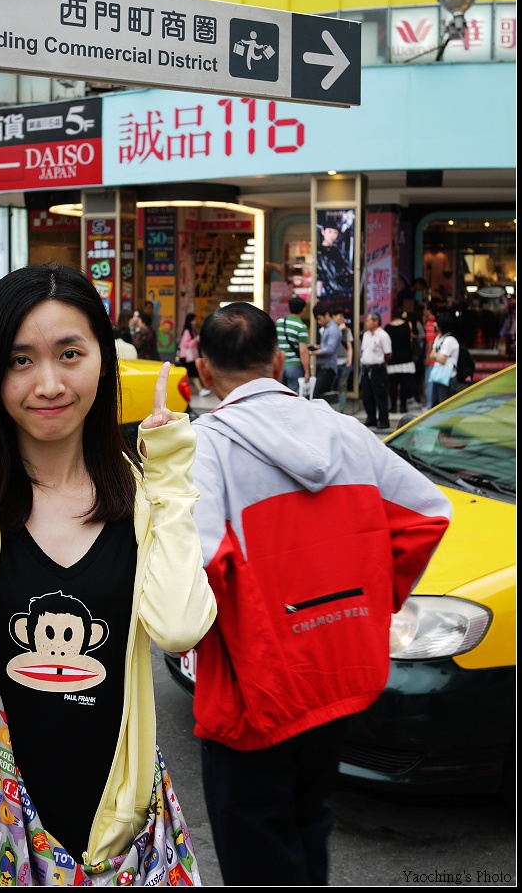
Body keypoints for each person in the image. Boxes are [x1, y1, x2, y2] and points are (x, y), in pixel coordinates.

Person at [0, 262, 216, 882]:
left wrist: (172, 476)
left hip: (119, 839)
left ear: (103, 361)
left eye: (70, 354)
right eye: (20, 361)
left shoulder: (147, 501)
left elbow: (181, 628)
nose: (48, 384)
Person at [187, 302, 452, 887]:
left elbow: (202, 571)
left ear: (204, 370)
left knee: (257, 856)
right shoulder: (346, 431)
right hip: (337, 671)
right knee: (311, 824)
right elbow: (427, 514)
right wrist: (368, 603)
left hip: (255, 694)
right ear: (278, 362)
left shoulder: (202, 448)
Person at [359, 312, 392, 430]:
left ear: (376, 322)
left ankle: (383, 420)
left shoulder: (383, 335)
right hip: (366, 368)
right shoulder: (366, 335)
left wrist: (381, 363)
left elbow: (388, 354)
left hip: (378, 368)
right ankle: (371, 417)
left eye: (368, 320)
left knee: (380, 395)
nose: (366, 323)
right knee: (367, 396)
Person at [275, 297, 311, 394]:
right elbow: (303, 351)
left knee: (280, 394)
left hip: (280, 365)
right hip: (294, 367)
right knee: (293, 394)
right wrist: (307, 371)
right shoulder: (301, 327)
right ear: (303, 309)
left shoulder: (280, 323)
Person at [384, 308, 416, 414]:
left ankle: (393, 407)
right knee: (404, 384)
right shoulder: (408, 325)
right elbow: (411, 341)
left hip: (393, 358)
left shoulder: (388, 327)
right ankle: (403, 406)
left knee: (393, 384)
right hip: (406, 357)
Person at [315, 219, 353, 300]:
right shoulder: (319, 252)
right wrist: (318, 296)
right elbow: (320, 276)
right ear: (323, 232)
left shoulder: (337, 250)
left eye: (335, 232)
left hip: (346, 289)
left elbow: (346, 267)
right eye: (329, 231)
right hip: (333, 292)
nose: (332, 235)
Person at [430, 310, 461, 405]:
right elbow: (431, 355)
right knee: (435, 404)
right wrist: (437, 356)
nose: (434, 325)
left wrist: (436, 355)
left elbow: (442, 360)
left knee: (443, 405)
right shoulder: (439, 338)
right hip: (438, 376)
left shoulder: (450, 340)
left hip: (448, 377)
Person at [311, 302, 340, 399]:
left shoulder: (333, 329)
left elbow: (329, 349)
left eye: (320, 318)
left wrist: (313, 352)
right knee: (320, 397)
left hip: (327, 369)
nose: (319, 322)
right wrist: (318, 348)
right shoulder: (327, 328)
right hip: (323, 368)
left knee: (317, 397)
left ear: (327, 315)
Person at [178, 312, 211, 397]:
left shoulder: (192, 331)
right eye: (194, 320)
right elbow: (187, 344)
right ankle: (200, 390)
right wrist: (196, 339)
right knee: (193, 374)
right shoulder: (187, 332)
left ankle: (193, 390)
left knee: (190, 374)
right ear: (190, 321)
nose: (195, 321)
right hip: (186, 357)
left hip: (190, 357)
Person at [330, 306, 353, 413]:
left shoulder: (347, 331)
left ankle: (341, 409)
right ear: (333, 317)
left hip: (344, 361)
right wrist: (339, 330)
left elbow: (349, 346)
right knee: (331, 386)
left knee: (342, 386)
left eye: (343, 316)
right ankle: (331, 409)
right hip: (332, 363)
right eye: (340, 316)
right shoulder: (328, 330)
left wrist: (350, 360)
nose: (342, 318)